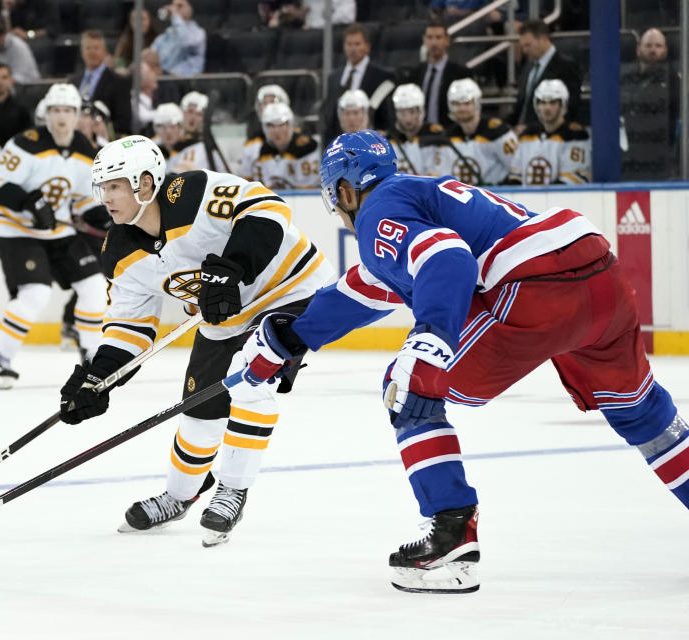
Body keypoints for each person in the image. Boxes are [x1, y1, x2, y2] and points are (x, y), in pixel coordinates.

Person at [234, 128, 689, 593]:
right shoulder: (416, 196)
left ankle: (450, 535)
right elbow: (363, 289)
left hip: (536, 285)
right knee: (643, 413)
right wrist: (288, 338)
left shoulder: (376, 210)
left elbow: (447, 260)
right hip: (599, 273)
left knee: (409, 387)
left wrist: (431, 340)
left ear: (346, 190)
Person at [61, 135, 334, 547]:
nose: (106, 198)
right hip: (223, 318)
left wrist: (232, 267)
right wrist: (99, 378)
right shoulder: (118, 251)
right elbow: (129, 328)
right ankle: (180, 495)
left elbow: (268, 208)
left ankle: (233, 488)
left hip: (293, 292)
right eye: (103, 187)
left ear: (146, 183)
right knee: (199, 410)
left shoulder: (192, 193)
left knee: (250, 376)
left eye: (115, 185)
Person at [0, 83, 107, 388]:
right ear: (46, 114)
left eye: (67, 111)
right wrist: (28, 202)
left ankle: (91, 359)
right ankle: (1, 362)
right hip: (17, 231)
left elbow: (86, 202)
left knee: (93, 285)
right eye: (55, 110)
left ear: (77, 115)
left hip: (59, 231)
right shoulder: (27, 143)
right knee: (35, 294)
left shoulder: (86, 151)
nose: (61, 117)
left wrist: (108, 220)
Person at [428, 78, 517, 186]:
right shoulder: (447, 137)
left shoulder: (499, 133)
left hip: (494, 197)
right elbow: (438, 175)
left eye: (466, 103)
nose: (461, 108)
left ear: (477, 103)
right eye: (456, 104)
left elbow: (516, 170)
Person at [620, 28, 682, 180]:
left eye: (658, 46)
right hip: (628, 155)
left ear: (666, 50)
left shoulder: (674, 81)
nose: (653, 50)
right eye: (648, 46)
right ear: (638, 49)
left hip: (659, 155)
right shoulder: (624, 78)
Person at [322, 23, 396, 141]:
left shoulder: (382, 76)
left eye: (357, 44)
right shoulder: (333, 77)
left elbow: (386, 117)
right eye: (349, 44)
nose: (353, 49)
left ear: (367, 47)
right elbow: (330, 116)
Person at [509, 79, 590, 185]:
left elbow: (572, 181)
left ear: (563, 105)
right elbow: (515, 178)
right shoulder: (527, 135)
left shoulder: (575, 136)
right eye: (542, 102)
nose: (547, 108)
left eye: (553, 103)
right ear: (536, 105)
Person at [511, 19, 582, 132]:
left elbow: (569, 108)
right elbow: (521, 107)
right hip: (521, 136)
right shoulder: (528, 68)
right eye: (523, 46)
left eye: (528, 45)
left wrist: (531, 129)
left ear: (543, 39)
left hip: (548, 136)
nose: (525, 51)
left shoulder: (566, 66)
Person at [69, 30, 133, 137]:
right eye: (88, 48)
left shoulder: (119, 83)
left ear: (105, 52)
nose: (92, 52)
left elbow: (124, 123)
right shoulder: (72, 82)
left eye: (96, 48)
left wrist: (99, 127)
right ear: (82, 52)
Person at [411, 20, 470, 127]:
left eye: (438, 37)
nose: (434, 43)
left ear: (447, 40)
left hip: (449, 131)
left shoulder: (460, 73)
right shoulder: (416, 72)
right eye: (430, 37)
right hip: (421, 133)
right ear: (424, 40)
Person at [253, 102, 320, 190]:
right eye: (271, 125)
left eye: (281, 125)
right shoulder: (264, 150)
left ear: (290, 125)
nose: (276, 131)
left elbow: (309, 192)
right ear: (264, 128)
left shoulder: (305, 148)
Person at [386, 83, 446, 176]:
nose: (407, 119)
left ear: (421, 111)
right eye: (402, 113)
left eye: (412, 112)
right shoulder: (389, 139)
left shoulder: (436, 136)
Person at [165, 91, 229, 173]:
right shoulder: (166, 140)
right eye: (190, 111)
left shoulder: (207, 145)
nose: (193, 117)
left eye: (199, 114)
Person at [241, 84, 290, 180]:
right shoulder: (251, 144)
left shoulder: (301, 140)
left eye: (273, 102)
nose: (268, 107)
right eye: (264, 103)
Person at [0, 62, 34, 147]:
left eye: (4, 77)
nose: (0, 81)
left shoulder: (21, 108)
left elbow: (29, 134)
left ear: (10, 80)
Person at [151, 0, 206, 77]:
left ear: (190, 9)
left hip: (188, 82)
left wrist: (176, 17)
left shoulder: (198, 33)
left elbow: (186, 42)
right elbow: (151, 57)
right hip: (165, 81)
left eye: (179, 6)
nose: (175, 9)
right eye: (173, 5)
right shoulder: (163, 37)